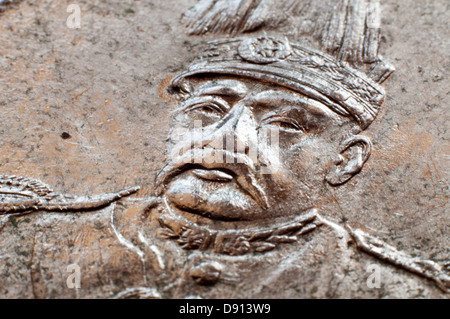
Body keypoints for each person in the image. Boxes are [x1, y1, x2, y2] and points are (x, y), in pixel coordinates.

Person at [0, 37, 447, 299]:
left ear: (346, 159)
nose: (226, 138)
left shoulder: (385, 287)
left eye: (286, 124)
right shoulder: (33, 242)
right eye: (208, 107)